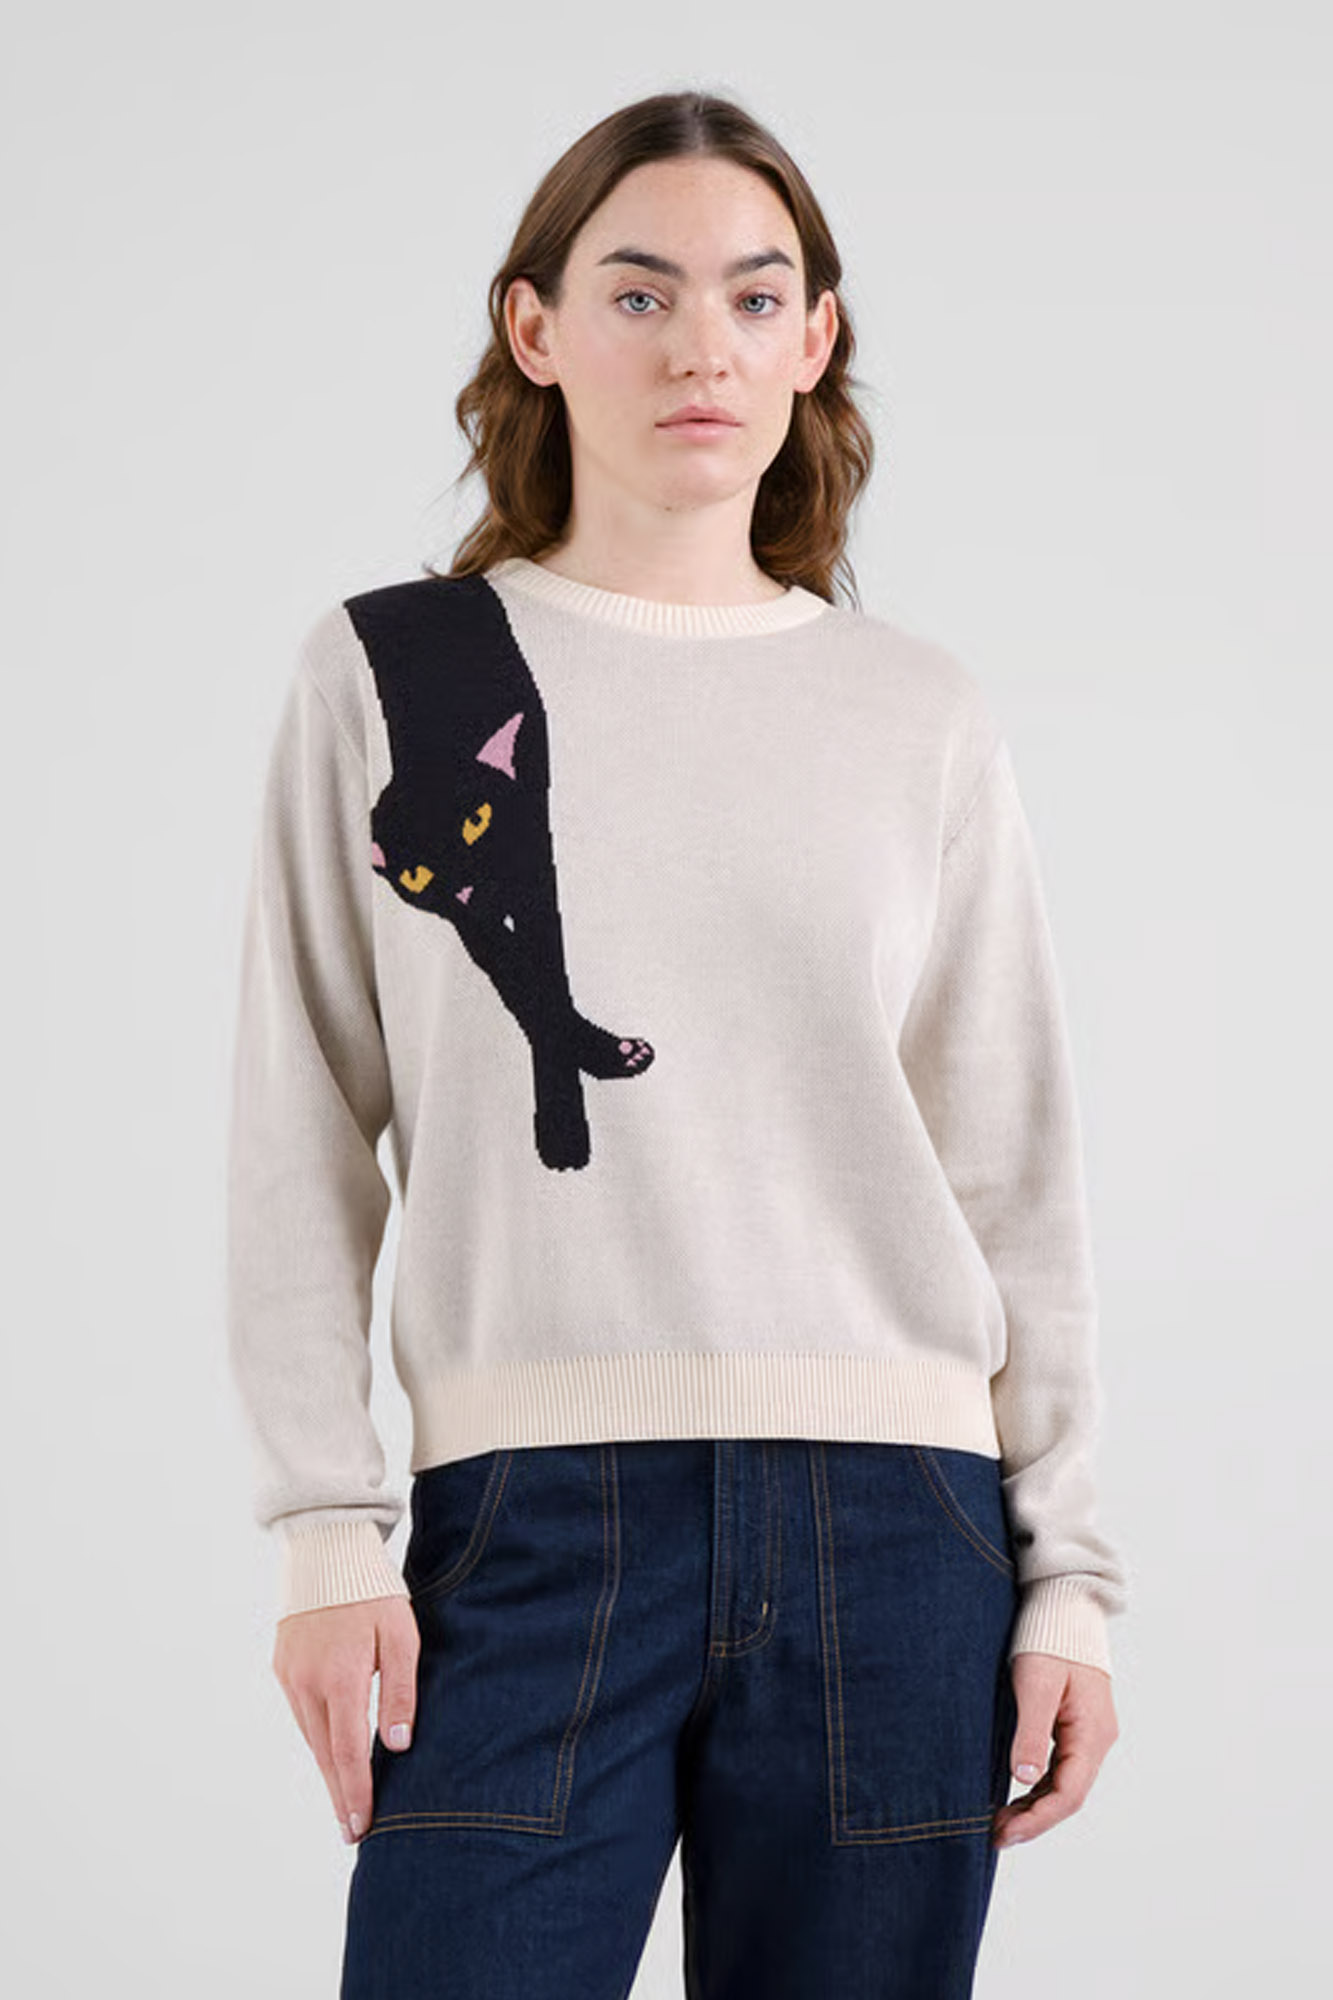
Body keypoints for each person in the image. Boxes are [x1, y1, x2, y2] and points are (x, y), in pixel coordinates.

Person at [225, 87, 1129, 1999]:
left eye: (752, 295)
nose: (698, 346)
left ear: (813, 342)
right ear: (535, 329)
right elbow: (297, 1124)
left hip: (898, 1528)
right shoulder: (398, 668)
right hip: (526, 1529)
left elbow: (1008, 1164)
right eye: (637, 294)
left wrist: (1069, 1578)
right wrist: (324, 1530)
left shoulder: (912, 712)